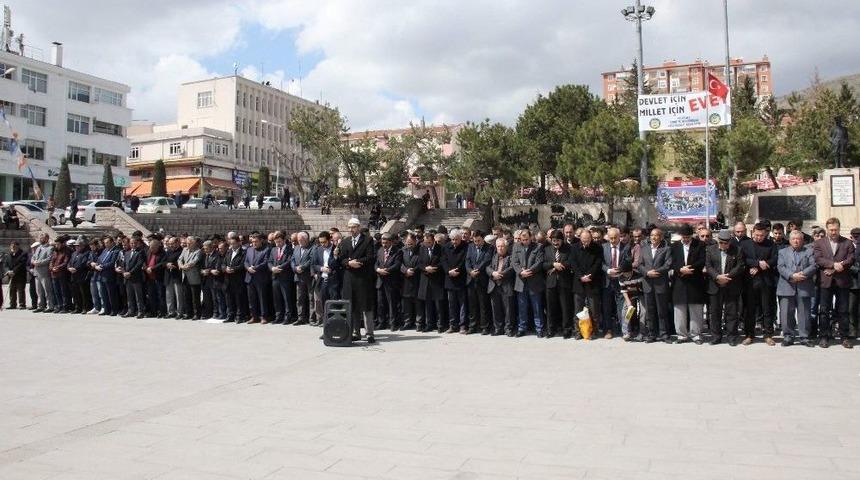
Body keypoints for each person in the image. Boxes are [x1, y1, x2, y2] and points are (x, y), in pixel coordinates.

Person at [812, 217, 855, 348]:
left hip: (842, 281)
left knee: (843, 310)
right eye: (831, 230)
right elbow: (818, 259)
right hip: (826, 281)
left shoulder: (847, 243)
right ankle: (824, 336)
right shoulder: (819, 243)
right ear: (827, 229)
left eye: (835, 229)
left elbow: (851, 258)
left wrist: (837, 267)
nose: (833, 232)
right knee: (824, 310)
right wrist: (833, 265)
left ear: (839, 229)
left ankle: (844, 337)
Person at [777, 230, 818, 347]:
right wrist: (792, 275)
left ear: (802, 240)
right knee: (786, 313)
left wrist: (801, 275)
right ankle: (788, 336)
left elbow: (814, 265)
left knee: (804, 312)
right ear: (789, 240)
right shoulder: (782, 252)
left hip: (804, 285)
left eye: (798, 239)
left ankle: (804, 336)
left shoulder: (809, 251)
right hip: (787, 285)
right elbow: (780, 266)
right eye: (793, 239)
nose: (796, 241)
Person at [339, 218, 377, 343]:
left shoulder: (368, 240)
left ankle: (369, 333)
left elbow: (370, 257)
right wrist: (349, 263)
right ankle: (356, 331)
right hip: (349, 278)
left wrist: (358, 262)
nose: (351, 230)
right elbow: (341, 258)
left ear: (359, 227)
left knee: (366, 306)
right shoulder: (345, 242)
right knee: (352, 305)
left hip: (363, 278)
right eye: (349, 227)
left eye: (353, 227)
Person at [705, 229, 746, 346]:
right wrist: (717, 277)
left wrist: (727, 276)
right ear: (718, 241)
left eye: (726, 243)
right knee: (715, 312)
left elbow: (740, 266)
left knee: (732, 313)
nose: (723, 245)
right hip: (715, 285)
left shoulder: (737, 250)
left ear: (730, 241)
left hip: (731, 285)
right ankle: (716, 336)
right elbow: (708, 266)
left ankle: (732, 337)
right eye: (721, 242)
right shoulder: (710, 250)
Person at [740, 223, 779, 345]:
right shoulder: (745, 244)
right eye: (756, 235)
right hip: (750, 282)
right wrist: (757, 263)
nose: (759, 237)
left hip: (765, 281)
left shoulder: (771, 244)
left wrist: (761, 267)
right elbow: (743, 259)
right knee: (750, 309)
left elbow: (774, 259)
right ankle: (749, 335)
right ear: (752, 232)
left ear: (766, 234)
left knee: (767, 309)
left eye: (761, 235)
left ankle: (768, 335)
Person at [670, 224, 706, 344]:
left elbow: (702, 261)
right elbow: (671, 262)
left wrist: (689, 269)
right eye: (683, 237)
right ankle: (682, 335)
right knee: (679, 309)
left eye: (687, 237)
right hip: (679, 281)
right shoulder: (674, 246)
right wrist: (680, 270)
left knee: (695, 308)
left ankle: (696, 334)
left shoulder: (699, 245)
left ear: (691, 235)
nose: (685, 239)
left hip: (694, 280)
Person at [637, 228, 672, 343]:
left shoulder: (666, 249)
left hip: (660, 283)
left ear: (661, 237)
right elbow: (640, 265)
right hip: (647, 283)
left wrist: (655, 272)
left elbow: (668, 265)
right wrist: (647, 272)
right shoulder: (644, 249)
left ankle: (664, 334)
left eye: (656, 235)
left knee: (662, 311)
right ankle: (652, 333)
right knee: (650, 310)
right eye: (652, 235)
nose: (653, 237)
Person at [511, 229, 546, 337]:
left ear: (531, 237)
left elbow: (539, 262)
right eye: (522, 239)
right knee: (522, 307)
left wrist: (528, 271)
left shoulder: (538, 247)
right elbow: (514, 262)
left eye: (526, 239)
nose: (524, 241)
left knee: (537, 307)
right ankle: (522, 328)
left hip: (534, 282)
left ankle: (539, 329)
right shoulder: (516, 246)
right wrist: (521, 272)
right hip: (521, 282)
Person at [572, 228, 603, 340]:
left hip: (592, 281)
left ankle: (594, 331)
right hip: (579, 283)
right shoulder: (574, 247)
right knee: (578, 310)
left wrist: (590, 275)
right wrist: (581, 276)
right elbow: (573, 263)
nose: (585, 243)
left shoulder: (597, 248)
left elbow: (598, 263)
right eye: (583, 240)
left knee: (594, 310)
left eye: (588, 240)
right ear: (580, 238)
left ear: (591, 238)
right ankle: (578, 331)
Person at [544, 229, 573, 338]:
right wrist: (553, 264)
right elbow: (543, 264)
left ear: (562, 240)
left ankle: (567, 330)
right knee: (551, 308)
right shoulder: (546, 249)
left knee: (565, 308)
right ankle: (551, 329)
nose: (555, 243)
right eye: (553, 240)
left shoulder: (568, 249)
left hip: (564, 283)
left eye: (558, 240)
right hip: (550, 284)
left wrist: (555, 268)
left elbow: (569, 263)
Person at [602, 227, 628, 339]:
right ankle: (608, 330)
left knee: (621, 307)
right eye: (610, 238)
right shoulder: (603, 247)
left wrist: (620, 270)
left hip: (620, 281)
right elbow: (600, 262)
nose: (612, 240)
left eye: (615, 238)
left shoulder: (625, 247)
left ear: (619, 237)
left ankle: (624, 330)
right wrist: (608, 270)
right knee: (607, 307)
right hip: (607, 282)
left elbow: (628, 261)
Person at [465, 231, 493, 335]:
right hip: (471, 280)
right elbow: (467, 261)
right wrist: (470, 271)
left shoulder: (489, 247)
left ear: (483, 239)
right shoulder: (470, 246)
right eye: (475, 241)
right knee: (472, 305)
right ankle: (472, 326)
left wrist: (476, 270)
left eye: (479, 241)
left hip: (482, 279)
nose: (476, 243)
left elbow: (486, 260)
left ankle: (484, 326)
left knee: (483, 305)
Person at [417, 232, 445, 333]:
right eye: (425, 242)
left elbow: (443, 262)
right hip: (425, 279)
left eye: (429, 242)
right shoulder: (422, 248)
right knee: (427, 304)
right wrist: (425, 268)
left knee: (438, 304)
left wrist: (434, 268)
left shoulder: (440, 248)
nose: (427, 244)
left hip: (437, 279)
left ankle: (440, 325)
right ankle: (429, 324)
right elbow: (419, 263)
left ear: (433, 241)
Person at [441, 229, 469, 333]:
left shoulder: (466, 246)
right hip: (450, 279)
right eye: (452, 239)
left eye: (456, 239)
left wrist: (457, 270)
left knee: (462, 304)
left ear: (460, 238)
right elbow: (443, 260)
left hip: (461, 278)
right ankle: (452, 325)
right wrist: (449, 271)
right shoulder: (445, 247)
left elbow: (465, 261)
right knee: (451, 304)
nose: (454, 241)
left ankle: (462, 325)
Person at [487, 237, 515, 336]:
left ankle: (508, 329)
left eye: (502, 246)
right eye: (498, 246)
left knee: (508, 309)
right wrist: (493, 273)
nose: (500, 248)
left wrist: (500, 274)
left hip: (506, 286)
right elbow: (488, 267)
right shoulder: (494, 256)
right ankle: (498, 328)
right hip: (494, 286)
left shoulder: (511, 256)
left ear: (506, 247)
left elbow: (512, 268)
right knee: (496, 308)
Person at [375, 233, 402, 330]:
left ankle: (393, 323)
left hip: (391, 281)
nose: (384, 245)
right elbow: (376, 263)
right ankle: (381, 322)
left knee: (392, 303)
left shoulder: (397, 251)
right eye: (383, 243)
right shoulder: (380, 250)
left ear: (391, 242)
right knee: (380, 303)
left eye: (386, 243)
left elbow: (397, 265)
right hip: (380, 281)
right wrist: (378, 270)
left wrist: (386, 271)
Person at [310, 231, 338, 326]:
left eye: (324, 242)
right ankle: (327, 326)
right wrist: (321, 269)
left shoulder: (336, 249)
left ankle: (335, 324)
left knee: (333, 304)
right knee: (324, 304)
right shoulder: (318, 250)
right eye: (321, 242)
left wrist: (335, 256)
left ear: (329, 239)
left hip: (334, 281)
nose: (322, 244)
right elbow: (314, 264)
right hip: (322, 281)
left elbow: (338, 264)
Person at [244, 233, 272, 324]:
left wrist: (255, 268)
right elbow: (246, 261)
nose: (254, 243)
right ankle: (254, 316)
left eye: (256, 241)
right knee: (251, 299)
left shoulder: (266, 250)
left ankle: (264, 316)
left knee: (262, 298)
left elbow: (266, 262)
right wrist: (248, 268)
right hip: (250, 277)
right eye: (253, 242)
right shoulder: (249, 250)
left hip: (261, 277)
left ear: (261, 241)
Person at [269, 231, 294, 324]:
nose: (278, 243)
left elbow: (289, 261)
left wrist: (279, 267)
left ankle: (288, 316)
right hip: (275, 277)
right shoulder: (273, 250)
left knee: (287, 298)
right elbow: (269, 261)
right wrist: (272, 268)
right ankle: (278, 316)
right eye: (276, 242)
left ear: (284, 240)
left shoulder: (289, 249)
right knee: (277, 298)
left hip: (285, 277)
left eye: (279, 241)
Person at [119, 237, 147, 318]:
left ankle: (140, 311)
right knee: (129, 296)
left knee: (138, 296)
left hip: (136, 277)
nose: (133, 245)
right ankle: (130, 311)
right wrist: (124, 272)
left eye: (134, 243)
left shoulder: (140, 252)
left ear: (137, 243)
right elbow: (123, 264)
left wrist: (130, 273)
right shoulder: (127, 253)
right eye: (131, 243)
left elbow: (139, 264)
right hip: (127, 278)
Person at [222, 234, 247, 322]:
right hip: (228, 280)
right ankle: (230, 315)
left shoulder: (243, 252)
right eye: (231, 244)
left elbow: (243, 265)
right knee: (229, 300)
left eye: (234, 244)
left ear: (239, 243)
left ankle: (239, 316)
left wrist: (233, 269)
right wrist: (225, 268)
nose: (232, 246)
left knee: (239, 300)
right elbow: (223, 263)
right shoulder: (228, 252)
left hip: (238, 280)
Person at [399, 233, 421, 330]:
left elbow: (422, 262)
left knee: (418, 303)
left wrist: (413, 270)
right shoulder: (402, 251)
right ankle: (407, 322)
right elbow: (399, 263)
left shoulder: (420, 250)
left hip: (417, 279)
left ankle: (418, 323)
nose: (409, 246)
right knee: (406, 303)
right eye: (408, 244)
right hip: (406, 280)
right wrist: (405, 270)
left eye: (411, 244)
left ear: (415, 242)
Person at [178, 236, 203, 320]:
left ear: (194, 243)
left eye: (189, 243)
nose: (187, 245)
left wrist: (186, 266)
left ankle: (197, 314)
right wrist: (181, 266)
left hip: (194, 277)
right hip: (185, 276)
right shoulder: (184, 250)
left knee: (195, 297)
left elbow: (195, 261)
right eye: (187, 243)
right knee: (186, 296)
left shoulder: (198, 251)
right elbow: (179, 259)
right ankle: (188, 313)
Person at [291, 232, 313, 326]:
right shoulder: (296, 248)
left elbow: (311, 260)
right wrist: (295, 268)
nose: (299, 242)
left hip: (308, 276)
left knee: (311, 298)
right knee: (299, 298)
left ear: (306, 239)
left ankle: (312, 318)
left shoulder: (312, 248)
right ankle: (301, 318)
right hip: (298, 277)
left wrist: (302, 267)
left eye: (301, 240)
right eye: (298, 240)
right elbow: (292, 260)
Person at [30, 233, 54, 313]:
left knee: (47, 290)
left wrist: (39, 262)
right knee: (39, 291)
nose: (40, 239)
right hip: (37, 272)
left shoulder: (50, 248)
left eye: (42, 238)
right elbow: (33, 257)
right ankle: (40, 306)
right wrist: (33, 262)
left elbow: (49, 258)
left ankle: (50, 306)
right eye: (40, 237)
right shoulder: (38, 248)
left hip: (44, 272)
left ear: (47, 238)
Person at [67, 239, 91, 314]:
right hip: (73, 276)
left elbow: (84, 263)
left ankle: (85, 308)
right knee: (75, 293)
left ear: (83, 246)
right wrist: (69, 268)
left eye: (78, 246)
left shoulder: (86, 253)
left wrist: (76, 269)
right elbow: (69, 262)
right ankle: (77, 307)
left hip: (82, 276)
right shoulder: (74, 253)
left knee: (83, 293)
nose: (76, 247)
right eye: (75, 246)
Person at [4, 241, 27, 309]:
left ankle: (22, 304)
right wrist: (8, 271)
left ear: (18, 246)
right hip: (11, 275)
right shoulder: (8, 254)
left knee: (20, 290)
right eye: (11, 246)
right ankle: (12, 304)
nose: (13, 247)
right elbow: (5, 265)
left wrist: (13, 271)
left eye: (14, 246)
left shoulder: (23, 254)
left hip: (20, 275)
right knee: (12, 290)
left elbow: (21, 264)